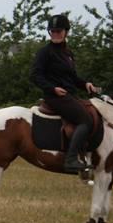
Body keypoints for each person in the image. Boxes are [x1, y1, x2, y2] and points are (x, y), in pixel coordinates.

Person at [30, 14, 99, 172]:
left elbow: (72, 78)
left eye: (58, 31)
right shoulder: (44, 52)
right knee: (86, 120)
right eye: (52, 31)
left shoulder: (68, 53)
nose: (55, 34)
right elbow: (35, 76)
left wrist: (86, 84)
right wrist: (52, 88)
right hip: (55, 97)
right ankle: (71, 159)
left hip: (69, 95)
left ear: (66, 32)